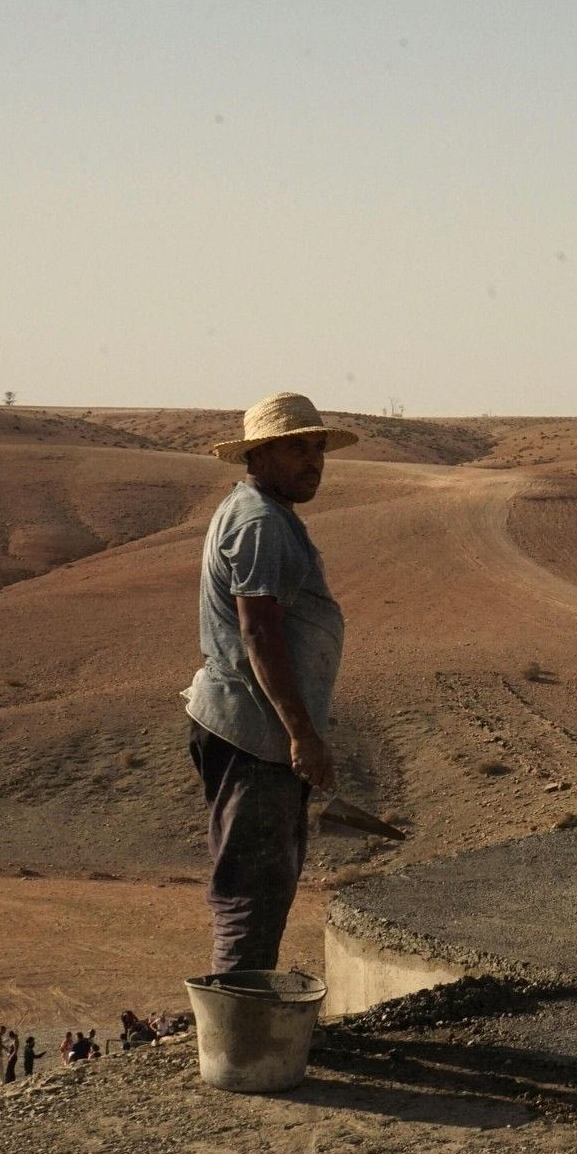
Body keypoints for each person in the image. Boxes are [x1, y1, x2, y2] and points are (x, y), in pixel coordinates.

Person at [185, 393, 356, 973]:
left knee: (264, 882)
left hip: (254, 728)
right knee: (252, 894)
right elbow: (258, 633)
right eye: (295, 447)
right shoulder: (260, 522)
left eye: (317, 448)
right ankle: (241, 1046)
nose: (313, 460)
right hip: (256, 734)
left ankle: (245, 1029)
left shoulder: (262, 512)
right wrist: (301, 734)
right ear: (258, 455)